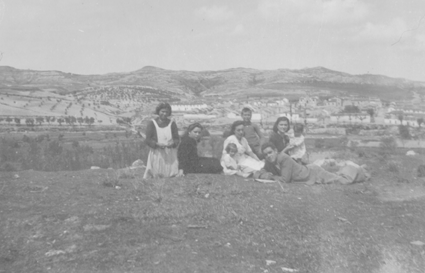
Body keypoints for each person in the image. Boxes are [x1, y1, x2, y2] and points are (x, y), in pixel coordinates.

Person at [254, 142, 369, 185]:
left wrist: (271, 176)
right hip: (307, 170)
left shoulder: (283, 158)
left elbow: (285, 180)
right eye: (266, 155)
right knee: (337, 175)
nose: (268, 156)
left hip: (313, 173)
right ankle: (354, 169)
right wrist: (265, 174)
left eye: (270, 152)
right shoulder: (270, 161)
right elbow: (261, 171)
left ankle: (361, 172)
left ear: (275, 151)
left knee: (341, 180)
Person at [144, 102, 183, 178]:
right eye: (162, 111)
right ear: (158, 112)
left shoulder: (172, 124)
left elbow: (176, 138)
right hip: (156, 152)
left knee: (171, 173)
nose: (164, 114)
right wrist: (156, 144)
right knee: (156, 173)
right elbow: (147, 139)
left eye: (167, 112)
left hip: (170, 152)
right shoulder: (152, 123)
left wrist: (173, 143)